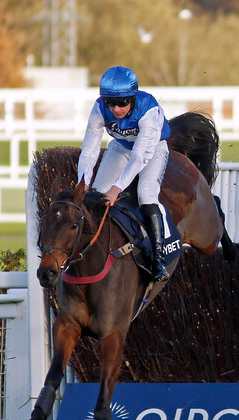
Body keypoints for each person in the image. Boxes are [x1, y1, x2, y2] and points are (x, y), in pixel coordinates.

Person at [77, 66, 172, 281]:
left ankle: (159, 260)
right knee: (95, 195)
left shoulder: (149, 109)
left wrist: (117, 187)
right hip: (121, 147)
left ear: (133, 97)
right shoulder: (99, 108)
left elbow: (140, 156)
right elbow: (90, 148)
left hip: (152, 149)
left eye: (122, 103)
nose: (116, 109)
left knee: (146, 195)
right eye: (110, 103)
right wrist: (83, 181)